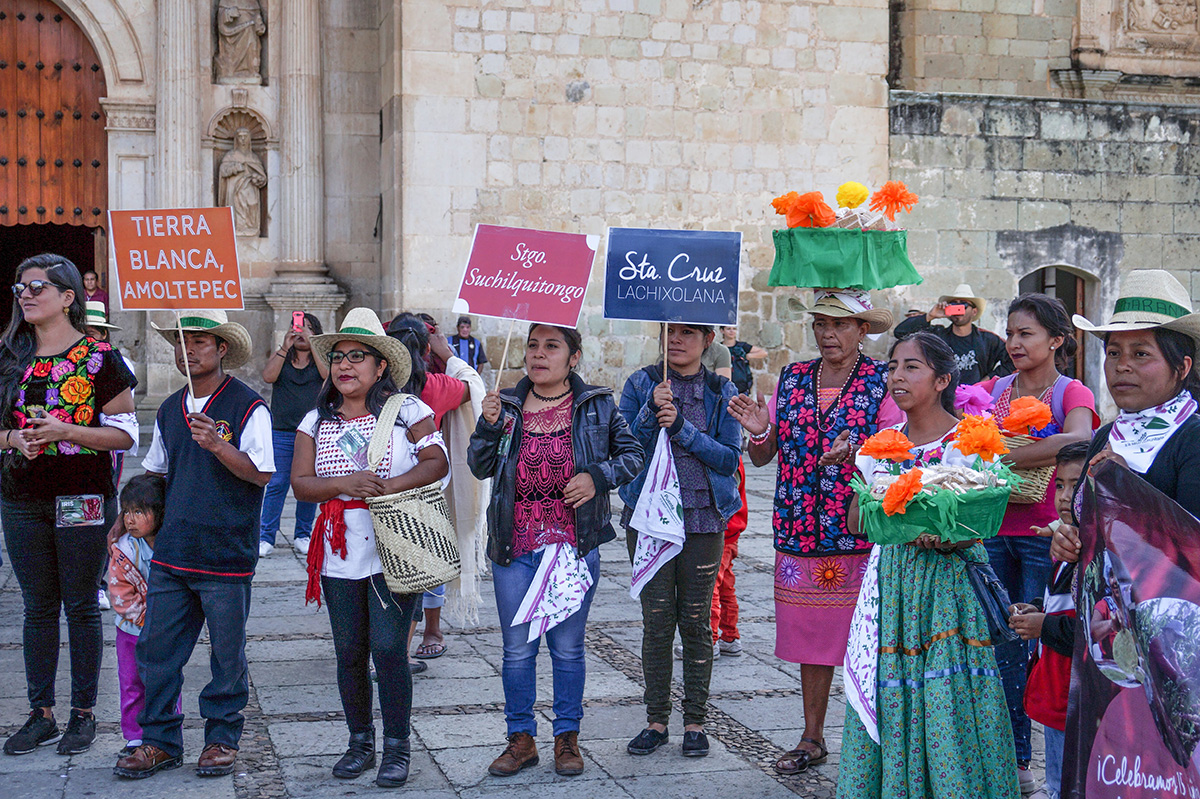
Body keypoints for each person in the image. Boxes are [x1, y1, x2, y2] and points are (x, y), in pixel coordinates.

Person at [837, 332, 1020, 799]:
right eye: (893, 365)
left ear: (942, 379)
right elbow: (857, 521)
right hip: (893, 583)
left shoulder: (971, 443)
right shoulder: (879, 448)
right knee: (894, 687)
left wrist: (948, 532)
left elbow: (985, 520)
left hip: (949, 586)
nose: (897, 375)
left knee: (945, 694)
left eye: (911, 366)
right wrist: (884, 510)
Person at [728, 288, 900, 774]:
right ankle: (811, 737)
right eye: (821, 324)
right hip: (801, 527)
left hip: (858, 530)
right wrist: (761, 430)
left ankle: (875, 738)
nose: (828, 334)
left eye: (840, 324)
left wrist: (861, 454)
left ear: (863, 331)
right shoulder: (795, 377)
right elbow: (764, 455)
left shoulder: (882, 382)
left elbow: (899, 450)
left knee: (869, 636)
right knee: (813, 638)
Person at [470, 324, 642, 777]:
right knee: (517, 650)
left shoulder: (597, 405)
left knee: (567, 650)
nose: (539, 354)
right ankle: (521, 739)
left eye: (551, 346)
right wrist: (487, 428)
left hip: (572, 547)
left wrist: (597, 477)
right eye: (532, 345)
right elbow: (479, 465)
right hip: (516, 546)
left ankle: (567, 738)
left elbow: (632, 454)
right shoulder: (504, 405)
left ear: (574, 357)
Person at [1051, 270, 1200, 790]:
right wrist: (1069, 539)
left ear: (1182, 366)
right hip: (1113, 653)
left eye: (1142, 354)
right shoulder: (1104, 439)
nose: (1122, 368)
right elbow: (1084, 530)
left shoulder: (1192, 437)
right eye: (1115, 353)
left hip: (1180, 655)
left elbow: (1190, 551)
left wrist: (1125, 486)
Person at [293, 308, 449, 788]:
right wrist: (347, 483)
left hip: (394, 544)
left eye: (357, 356)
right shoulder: (314, 420)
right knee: (348, 652)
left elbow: (437, 461)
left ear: (380, 366)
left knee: (387, 648)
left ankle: (398, 746)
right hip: (339, 550)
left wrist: (389, 485)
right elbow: (301, 485)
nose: (345, 366)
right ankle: (360, 741)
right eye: (338, 357)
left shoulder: (407, 411)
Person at [114, 310, 273, 780]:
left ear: (222, 349)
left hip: (225, 552)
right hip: (173, 552)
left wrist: (219, 446)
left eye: (200, 342)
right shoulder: (169, 408)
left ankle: (222, 737)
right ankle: (159, 741)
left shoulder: (248, 407)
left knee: (226, 656)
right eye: (183, 343)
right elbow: (156, 473)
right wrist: (126, 516)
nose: (189, 351)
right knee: (157, 651)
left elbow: (262, 472)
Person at [0, 255, 138, 757]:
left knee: (80, 605)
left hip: (80, 495)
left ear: (68, 297)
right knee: (36, 608)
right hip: (21, 498)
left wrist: (67, 432)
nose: (26, 294)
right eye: (21, 286)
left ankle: (83, 715)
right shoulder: (7, 357)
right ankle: (41, 714)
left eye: (38, 286)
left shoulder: (100, 358)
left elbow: (124, 434)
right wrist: (15, 438)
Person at [977, 293, 1098, 793]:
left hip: (1048, 536)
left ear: (1056, 341)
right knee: (1004, 642)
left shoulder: (1071, 391)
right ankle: (1016, 757)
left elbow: (1078, 441)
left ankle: (1061, 762)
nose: (1014, 342)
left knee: (1044, 642)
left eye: (1026, 334)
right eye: (1010, 333)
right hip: (995, 528)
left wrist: (1000, 451)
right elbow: (961, 425)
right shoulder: (995, 386)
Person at [620, 323, 741, 759]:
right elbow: (626, 449)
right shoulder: (640, 383)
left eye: (690, 333)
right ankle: (656, 720)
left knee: (694, 621)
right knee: (656, 622)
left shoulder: (721, 391)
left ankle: (695, 720)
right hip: (650, 520)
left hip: (703, 519)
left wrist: (684, 429)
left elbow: (729, 459)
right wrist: (652, 413)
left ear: (708, 340)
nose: (678, 340)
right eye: (672, 332)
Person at [387, 313, 485, 669]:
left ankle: (389, 649)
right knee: (425, 569)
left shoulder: (374, 385)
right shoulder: (434, 386)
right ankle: (426, 636)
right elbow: (472, 387)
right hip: (425, 490)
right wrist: (449, 354)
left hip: (380, 489)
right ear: (427, 349)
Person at [1007, 441, 1089, 799]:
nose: (1065, 497)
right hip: (1058, 692)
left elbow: (1095, 629)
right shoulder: (1064, 543)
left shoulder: (1095, 551)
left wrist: (1044, 626)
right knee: (1058, 782)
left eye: (1077, 485)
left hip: (1080, 697)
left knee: (1067, 785)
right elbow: (1061, 600)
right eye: (1060, 485)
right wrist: (1037, 608)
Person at [107, 474, 175, 756]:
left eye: (139, 512)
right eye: (127, 512)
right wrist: (151, 619)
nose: (131, 519)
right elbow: (120, 594)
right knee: (132, 682)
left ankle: (167, 730)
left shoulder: (172, 547)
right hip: (131, 632)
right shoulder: (124, 550)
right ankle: (135, 735)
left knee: (167, 682)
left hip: (165, 632)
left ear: (160, 513)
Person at [259, 312, 327, 557]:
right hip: (281, 432)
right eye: (298, 327)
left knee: (307, 486)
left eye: (309, 328)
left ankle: (303, 534)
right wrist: (284, 347)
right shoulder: (282, 357)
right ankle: (265, 536)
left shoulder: (321, 360)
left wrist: (314, 344)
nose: (302, 332)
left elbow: (328, 376)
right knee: (276, 485)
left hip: (310, 434)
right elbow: (268, 377)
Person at [893, 282, 1012, 384]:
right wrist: (930, 316)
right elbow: (900, 333)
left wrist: (988, 380)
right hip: (943, 399)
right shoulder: (937, 336)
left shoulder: (988, 339)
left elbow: (1012, 359)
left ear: (974, 311)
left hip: (975, 400)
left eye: (963, 305)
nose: (958, 309)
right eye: (954, 305)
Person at [720, 325, 767, 396]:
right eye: (728, 329)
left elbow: (763, 352)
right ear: (722, 330)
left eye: (734, 329)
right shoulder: (718, 348)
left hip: (741, 387)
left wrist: (747, 356)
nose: (732, 331)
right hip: (723, 388)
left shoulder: (742, 346)